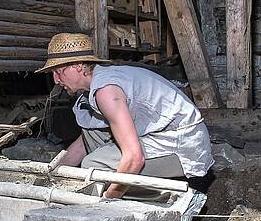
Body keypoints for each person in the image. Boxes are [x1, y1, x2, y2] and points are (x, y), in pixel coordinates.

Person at [37, 32, 213, 199]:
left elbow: (135, 158)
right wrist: (50, 173)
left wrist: (109, 198)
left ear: (78, 66)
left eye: (59, 72)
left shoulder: (106, 91)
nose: (56, 80)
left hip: (183, 146)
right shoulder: (97, 82)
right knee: (92, 131)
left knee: (93, 166)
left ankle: (169, 197)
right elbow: (82, 144)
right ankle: (127, 184)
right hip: (159, 134)